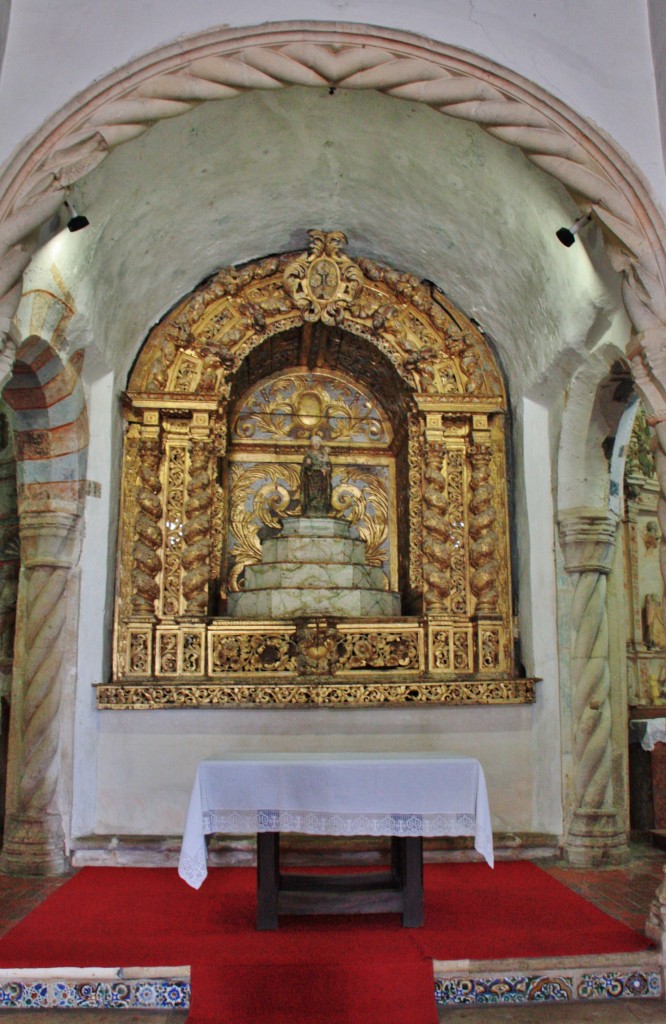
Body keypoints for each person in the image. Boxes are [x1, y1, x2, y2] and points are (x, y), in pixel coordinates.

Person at [300, 435, 332, 516]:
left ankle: (320, 507)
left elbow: (328, 465)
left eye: (318, 442)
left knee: (321, 493)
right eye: (314, 443)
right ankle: (311, 507)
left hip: (321, 477)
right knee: (311, 493)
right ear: (311, 444)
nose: (316, 444)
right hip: (310, 478)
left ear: (320, 444)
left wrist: (326, 469)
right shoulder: (308, 454)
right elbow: (304, 468)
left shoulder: (324, 454)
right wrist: (308, 464)